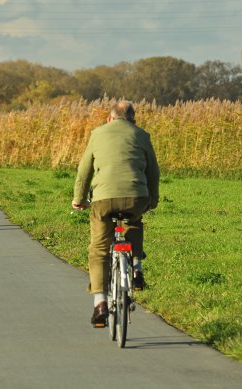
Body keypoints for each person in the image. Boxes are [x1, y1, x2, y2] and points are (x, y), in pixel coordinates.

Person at [72, 100, 160, 328]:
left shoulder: (97, 133)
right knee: (134, 222)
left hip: (103, 199)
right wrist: (152, 200)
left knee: (99, 249)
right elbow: (153, 171)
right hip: (136, 197)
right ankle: (137, 269)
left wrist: (79, 199)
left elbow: (84, 170)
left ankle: (100, 303)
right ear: (133, 120)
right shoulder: (142, 135)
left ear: (109, 119)